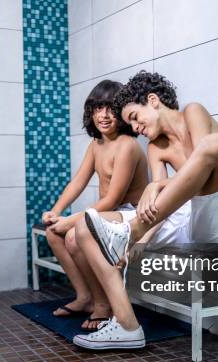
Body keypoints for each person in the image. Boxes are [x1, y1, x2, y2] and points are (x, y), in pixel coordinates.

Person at [72, 71, 218, 349]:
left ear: (153, 100)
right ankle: (127, 325)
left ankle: (127, 233)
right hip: (180, 222)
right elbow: (161, 209)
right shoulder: (155, 148)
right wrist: (139, 245)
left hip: (215, 219)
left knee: (214, 145)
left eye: (135, 117)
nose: (135, 127)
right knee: (86, 226)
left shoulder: (193, 112)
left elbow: (203, 163)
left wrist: (158, 184)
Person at [42, 79, 149, 330]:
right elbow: (77, 183)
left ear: (121, 112)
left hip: (129, 213)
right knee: (53, 232)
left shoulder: (128, 146)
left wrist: (73, 219)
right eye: (97, 108)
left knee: (72, 236)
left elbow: (114, 198)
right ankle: (85, 297)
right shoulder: (96, 144)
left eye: (111, 108)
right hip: (109, 211)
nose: (103, 115)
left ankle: (103, 305)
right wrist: (56, 212)